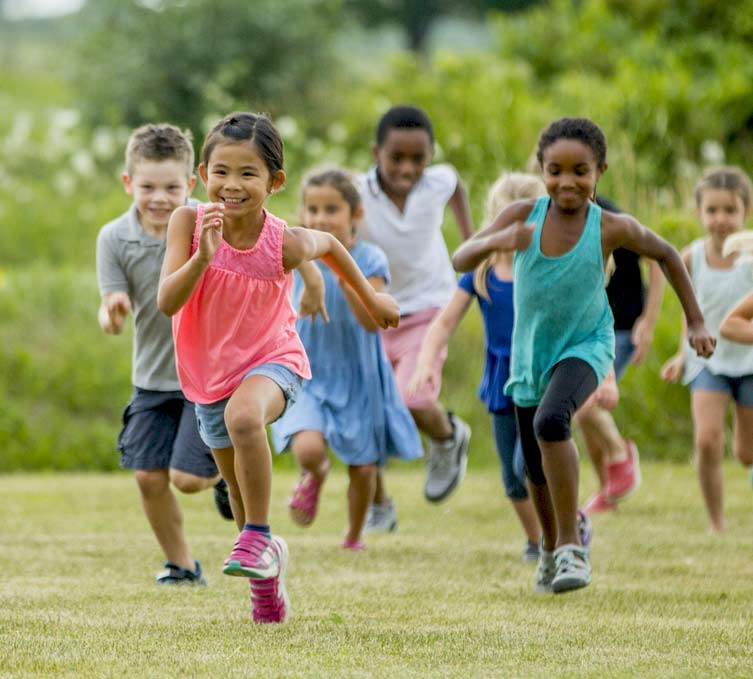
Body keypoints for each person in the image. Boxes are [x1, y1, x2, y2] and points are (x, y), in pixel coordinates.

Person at [452, 117, 714, 594]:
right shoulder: (521, 216)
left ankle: (573, 544)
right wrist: (496, 241)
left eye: (580, 171)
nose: (567, 182)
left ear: (600, 172)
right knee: (533, 466)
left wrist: (695, 321)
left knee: (551, 422)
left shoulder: (609, 226)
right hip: (531, 355)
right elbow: (461, 259)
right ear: (541, 169)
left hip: (588, 345)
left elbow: (668, 255)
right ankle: (551, 550)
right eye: (555, 170)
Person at [157, 112, 399, 623]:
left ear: (275, 182)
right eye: (221, 171)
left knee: (243, 419)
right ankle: (266, 578)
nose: (233, 184)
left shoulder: (282, 241)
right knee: (239, 496)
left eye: (249, 173)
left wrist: (372, 302)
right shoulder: (188, 222)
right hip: (208, 375)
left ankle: (262, 536)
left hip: (274, 361)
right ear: (203, 174)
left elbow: (331, 246)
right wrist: (202, 259)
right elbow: (167, 302)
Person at [96, 123, 231, 587]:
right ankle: (183, 566)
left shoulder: (211, 223)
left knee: (188, 479)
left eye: (171, 187)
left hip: (207, 375)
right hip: (152, 378)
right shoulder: (114, 238)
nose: (159, 198)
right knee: (148, 478)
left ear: (190, 185)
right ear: (128, 183)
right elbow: (111, 312)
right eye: (147, 186)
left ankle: (226, 475)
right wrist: (112, 313)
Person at [270, 168, 422, 550]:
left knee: (364, 465)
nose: (320, 219)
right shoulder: (297, 254)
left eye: (331, 210)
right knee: (308, 448)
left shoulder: (369, 258)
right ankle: (316, 474)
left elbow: (372, 325)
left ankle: (353, 536)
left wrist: (344, 277)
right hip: (306, 371)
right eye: (313, 210)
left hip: (358, 374)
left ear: (355, 215)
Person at [408, 172, 545, 561]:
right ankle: (537, 541)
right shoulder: (481, 271)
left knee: (528, 466)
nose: (518, 228)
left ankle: (563, 527)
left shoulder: (544, 267)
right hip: (501, 379)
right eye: (508, 218)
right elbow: (444, 322)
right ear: (493, 220)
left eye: (528, 217)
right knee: (511, 476)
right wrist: (426, 363)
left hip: (540, 377)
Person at [358, 104, 474, 531]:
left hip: (430, 305)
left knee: (413, 396)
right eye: (397, 158)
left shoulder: (438, 180)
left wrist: (471, 242)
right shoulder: (357, 192)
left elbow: (456, 184)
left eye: (418, 159)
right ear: (376, 153)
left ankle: (446, 438)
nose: (408, 168)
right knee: (367, 409)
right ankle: (378, 505)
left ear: (430, 156)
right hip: (375, 308)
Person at [661, 167, 753, 533]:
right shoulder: (690, 258)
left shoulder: (750, 259)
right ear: (699, 212)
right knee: (707, 439)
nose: (721, 219)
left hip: (749, 360)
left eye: (730, 210)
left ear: (745, 212)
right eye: (712, 210)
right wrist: (683, 355)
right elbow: (691, 311)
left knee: (747, 453)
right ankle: (717, 522)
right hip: (708, 362)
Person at [577, 196, 666, 514]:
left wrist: (649, 320)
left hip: (623, 326)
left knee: (584, 403)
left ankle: (620, 454)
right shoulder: (551, 217)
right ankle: (607, 490)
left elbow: (657, 258)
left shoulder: (608, 215)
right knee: (584, 414)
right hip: (585, 327)